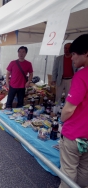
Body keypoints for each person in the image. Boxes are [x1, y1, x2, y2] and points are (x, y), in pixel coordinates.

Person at [59, 34, 88, 188]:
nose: (71, 58)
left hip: (75, 135)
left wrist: (62, 120)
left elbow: (69, 109)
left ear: (86, 53)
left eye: (74, 54)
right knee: (85, 170)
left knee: (68, 172)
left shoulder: (82, 76)